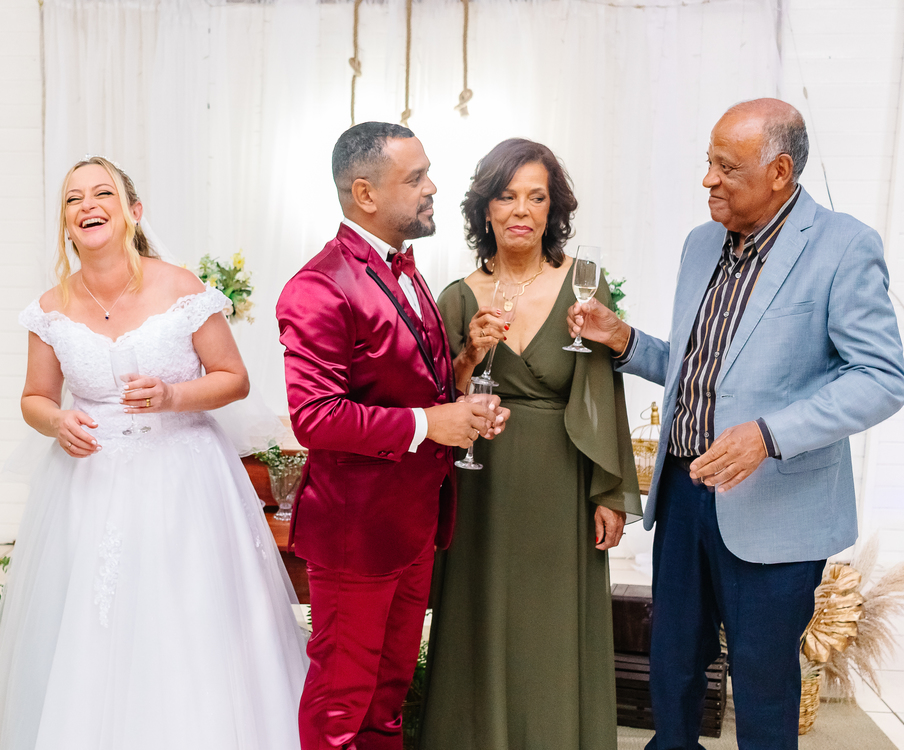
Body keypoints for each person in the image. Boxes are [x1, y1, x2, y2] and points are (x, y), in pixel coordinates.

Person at [569, 99, 904, 749]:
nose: (708, 180)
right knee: (672, 666)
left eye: (727, 167)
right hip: (683, 492)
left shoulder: (844, 246)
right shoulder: (701, 245)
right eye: (709, 162)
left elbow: (881, 378)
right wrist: (624, 339)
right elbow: (701, 370)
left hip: (777, 506)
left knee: (762, 681)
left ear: (779, 172)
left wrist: (768, 435)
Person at [0, 157, 307, 750]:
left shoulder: (180, 288)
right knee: (92, 624)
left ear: (133, 212)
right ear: (66, 222)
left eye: (102, 193)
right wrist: (57, 421)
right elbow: (33, 398)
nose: (87, 205)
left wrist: (173, 395)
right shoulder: (50, 309)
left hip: (184, 477)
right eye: (73, 198)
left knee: (185, 615)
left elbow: (233, 378)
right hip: (88, 484)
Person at [277, 122, 506, 750]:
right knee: (341, 704)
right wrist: (434, 423)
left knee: (388, 697)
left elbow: (404, 385)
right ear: (365, 193)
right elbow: (315, 418)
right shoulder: (318, 286)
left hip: (413, 522)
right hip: (356, 532)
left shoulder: (405, 268)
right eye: (416, 178)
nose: (432, 188)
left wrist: (464, 375)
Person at [419, 138, 642, 749]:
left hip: (562, 483)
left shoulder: (584, 289)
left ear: (553, 209)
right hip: (480, 482)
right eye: (507, 196)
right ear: (485, 209)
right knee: (480, 617)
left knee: (552, 626)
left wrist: (609, 491)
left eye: (536, 197)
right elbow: (438, 398)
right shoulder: (457, 296)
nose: (521, 210)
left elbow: (602, 390)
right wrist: (471, 353)